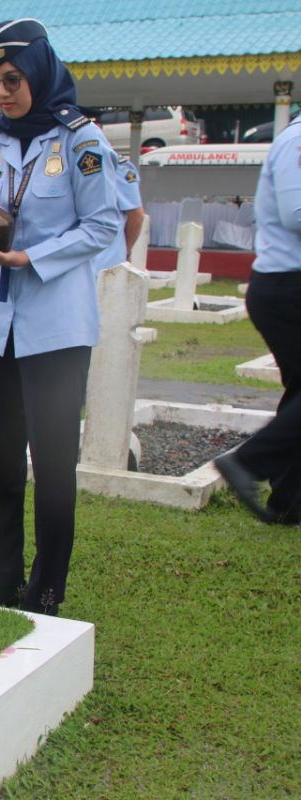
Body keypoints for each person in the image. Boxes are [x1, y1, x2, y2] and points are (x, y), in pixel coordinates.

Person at [0, 19, 122, 616]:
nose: (2, 92)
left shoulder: (81, 141)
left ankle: (46, 590)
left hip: (55, 326)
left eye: (13, 79)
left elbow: (102, 226)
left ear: (41, 72)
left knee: (52, 466)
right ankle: (2, 582)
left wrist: (33, 255)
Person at [214, 113, 301, 526]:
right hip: (289, 286)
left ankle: (289, 499)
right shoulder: (297, 141)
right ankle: (247, 462)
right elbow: (297, 212)